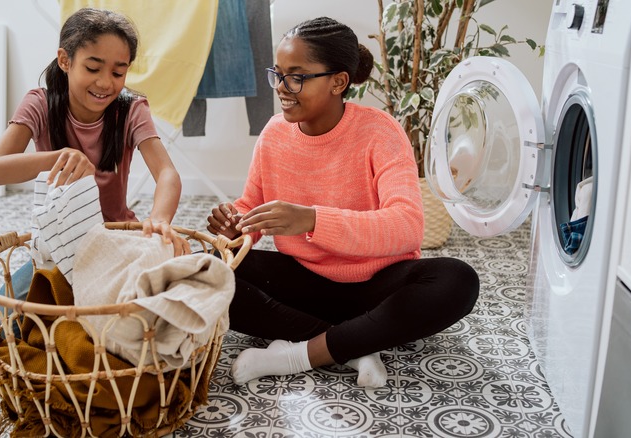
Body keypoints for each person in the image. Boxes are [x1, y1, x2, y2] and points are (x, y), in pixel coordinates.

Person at [206, 16, 480, 388]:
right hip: (304, 281)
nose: (282, 88)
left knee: (457, 279)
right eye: (278, 74)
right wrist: (235, 226)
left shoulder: (379, 131)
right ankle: (353, 345)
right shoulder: (274, 133)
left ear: (338, 81)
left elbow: (407, 226)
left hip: (376, 287)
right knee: (202, 269)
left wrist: (313, 220)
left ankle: (297, 355)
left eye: (297, 77)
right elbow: (251, 204)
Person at [0, 7, 190, 354]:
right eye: (93, 68)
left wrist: (160, 220)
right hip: (58, 250)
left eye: (118, 72)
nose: (105, 83)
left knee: (144, 331)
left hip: (118, 244)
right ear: (65, 60)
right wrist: (57, 158)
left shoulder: (131, 108)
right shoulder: (40, 104)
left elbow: (166, 173)